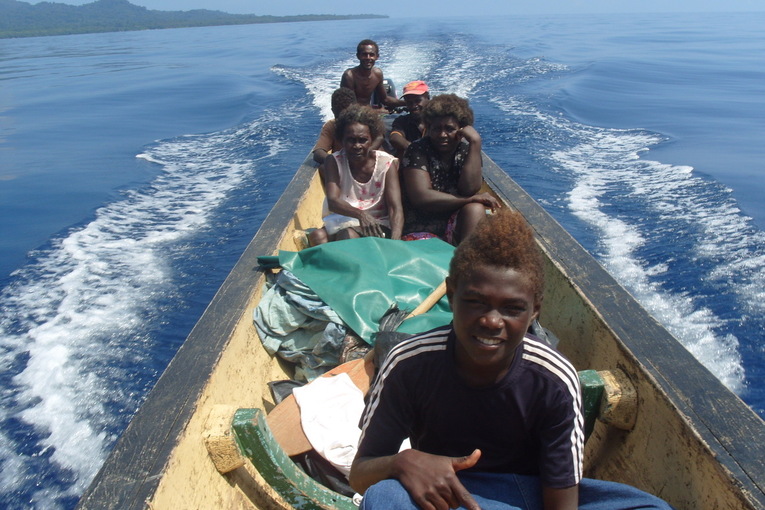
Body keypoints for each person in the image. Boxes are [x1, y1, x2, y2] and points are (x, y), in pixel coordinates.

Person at [349, 209, 674, 510]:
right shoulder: (408, 363)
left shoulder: (554, 378)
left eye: (512, 308)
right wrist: (401, 462)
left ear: (534, 311)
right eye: (475, 301)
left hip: (528, 495)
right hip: (444, 490)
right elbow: (360, 474)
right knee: (384, 497)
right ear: (451, 294)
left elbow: (561, 500)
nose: (492, 321)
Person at [400, 93, 500, 244]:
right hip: (422, 225)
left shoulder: (467, 151)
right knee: (473, 203)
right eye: (436, 129)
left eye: (449, 129)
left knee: (475, 209)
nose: (442, 135)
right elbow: (421, 197)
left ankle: (465, 262)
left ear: (461, 130)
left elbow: (470, 189)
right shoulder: (417, 150)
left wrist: (475, 142)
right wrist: (467, 200)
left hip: (455, 223)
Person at [309, 104, 403, 246]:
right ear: (342, 141)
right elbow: (333, 201)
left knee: (347, 235)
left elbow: (395, 207)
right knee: (317, 236)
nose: (357, 146)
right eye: (351, 140)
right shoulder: (334, 161)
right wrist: (361, 215)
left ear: (371, 139)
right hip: (345, 219)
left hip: (377, 223)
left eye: (362, 140)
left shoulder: (386, 164)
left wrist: (395, 243)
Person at [341, 39, 405, 110]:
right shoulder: (349, 76)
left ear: (377, 57)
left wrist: (408, 103)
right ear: (358, 56)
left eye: (371, 55)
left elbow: (385, 99)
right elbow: (348, 105)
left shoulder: (377, 74)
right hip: (352, 114)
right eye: (364, 54)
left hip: (368, 113)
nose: (368, 58)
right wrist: (375, 112)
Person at [390, 80, 430, 159]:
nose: (414, 106)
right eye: (409, 102)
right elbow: (394, 137)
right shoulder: (402, 121)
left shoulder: (438, 119)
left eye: (417, 101)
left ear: (427, 98)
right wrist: (415, 150)